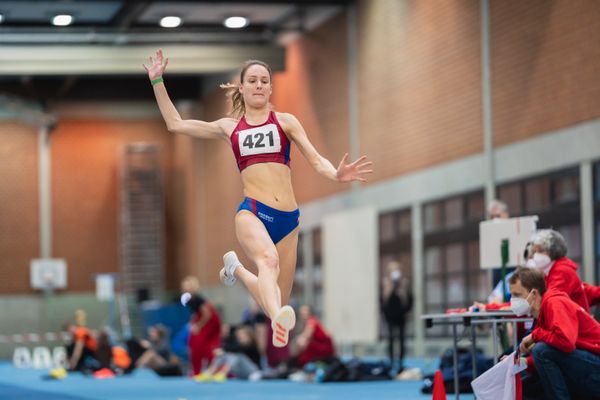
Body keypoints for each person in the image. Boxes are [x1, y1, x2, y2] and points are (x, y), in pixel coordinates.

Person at [144, 50, 372, 348]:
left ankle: (237, 269)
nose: (259, 85)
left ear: (270, 87)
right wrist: (157, 80)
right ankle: (277, 315)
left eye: (264, 81)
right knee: (268, 262)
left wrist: (335, 175)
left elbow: (316, 159)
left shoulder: (286, 122)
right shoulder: (230, 127)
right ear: (241, 87)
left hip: (288, 220)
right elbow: (175, 124)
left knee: (274, 297)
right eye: (252, 80)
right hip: (252, 212)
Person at [508, 267, 600, 400]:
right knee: (529, 384)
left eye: (517, 295)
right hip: (589, 365)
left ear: (534, 293)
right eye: (511, 295)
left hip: (595, 367)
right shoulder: (542, 311)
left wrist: (535, 335)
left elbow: (566, 343)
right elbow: (555, 353)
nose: (513, 300)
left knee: (541, 350)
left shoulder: (554, 303)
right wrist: (523, 362)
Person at [526, 229, 589, 312]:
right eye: (534, 251)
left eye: (540, 251)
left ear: (553, 252)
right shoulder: (549, 273)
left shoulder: (562, 271)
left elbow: (549, 300)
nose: (536, 255)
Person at [380, 260, 412, 371]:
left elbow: (410, 300)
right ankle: (391, 362)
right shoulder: (385, 283)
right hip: (389, 317)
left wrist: (403, 293)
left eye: (397, 269)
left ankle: (401, 363)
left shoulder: (405, 283)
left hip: (401, 317)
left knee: (402, 341)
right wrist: (388, 290)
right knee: (391, 340)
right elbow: (382, 301)